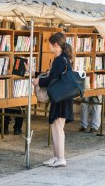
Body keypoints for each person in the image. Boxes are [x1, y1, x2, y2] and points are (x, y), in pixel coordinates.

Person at [32, 32, 74, 167]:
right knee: (56, 127)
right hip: (62, 97)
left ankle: (60, 157)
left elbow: (52, 79)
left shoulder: (59, 60)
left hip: (60, 98)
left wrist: (39, 81)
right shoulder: (63, 58)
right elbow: (53, 76)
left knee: (57, 128)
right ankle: (56, 156)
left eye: (50, 44)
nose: (48, 46)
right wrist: (36, 74)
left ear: (55, 45)